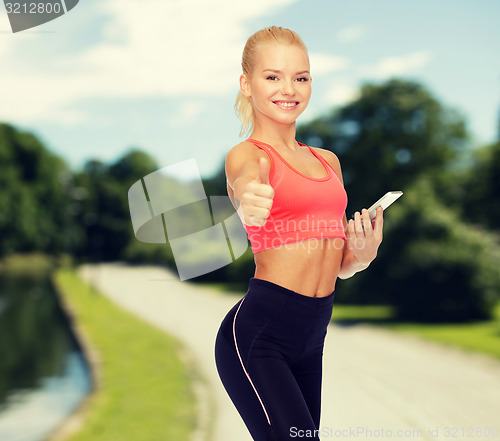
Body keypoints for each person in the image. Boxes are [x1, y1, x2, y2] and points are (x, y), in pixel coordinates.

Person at [214, 26, 384, 441]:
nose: (288, 89)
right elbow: (243, 183)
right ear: (247, 84)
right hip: (260, 336)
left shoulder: (328, 162)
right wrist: (248, 199)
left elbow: (339, 265)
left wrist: (361, 254)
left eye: (301, 77)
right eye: (272, 77)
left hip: (312, 337)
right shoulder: (248, 154)